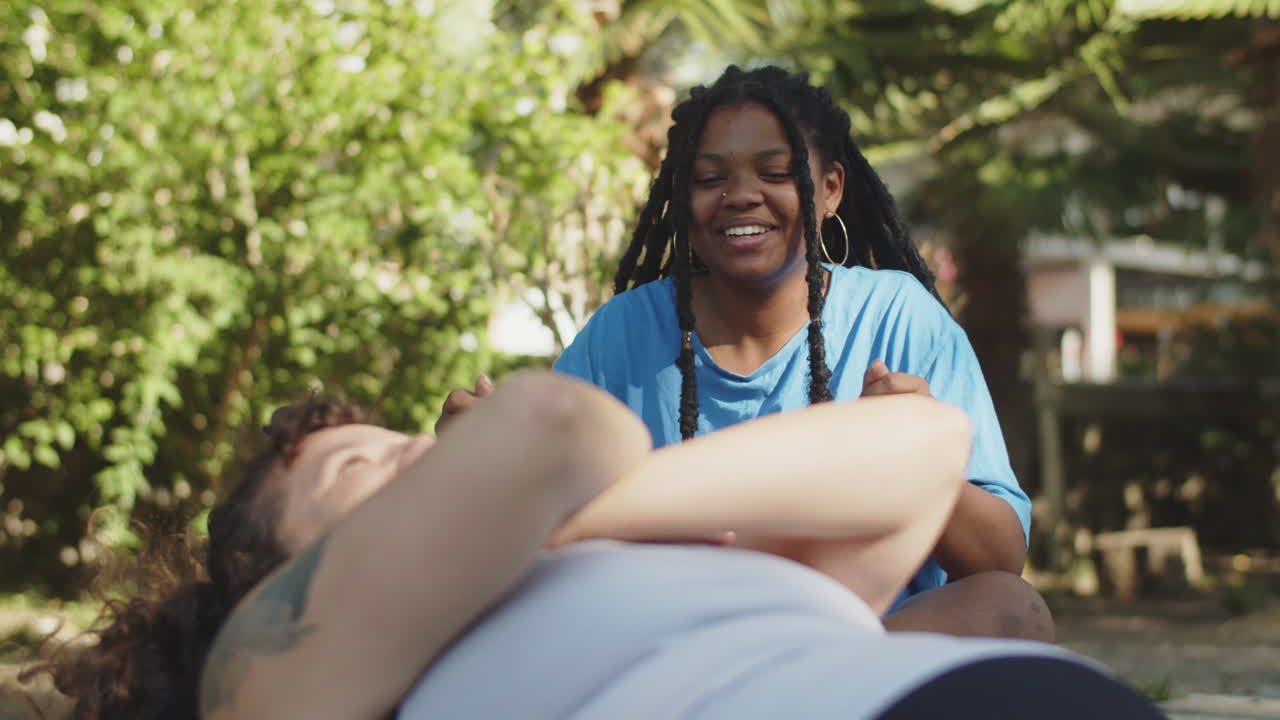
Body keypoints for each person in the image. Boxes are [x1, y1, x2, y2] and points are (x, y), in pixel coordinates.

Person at [25, 371, 1157, 719]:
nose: (421, 453)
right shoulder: (269, 668)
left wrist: (558, 516)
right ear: (267, 579)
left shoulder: (621, 550)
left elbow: (922, 443)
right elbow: (560, 425)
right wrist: (520, 488)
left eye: (412, 439)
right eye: (357, 469)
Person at [441, 65, 1050, 641]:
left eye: (775, 172)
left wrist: (919, 455)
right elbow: (539, 535)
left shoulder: (899, 317)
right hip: (670, 638)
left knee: (1011, 609)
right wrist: (477, 460)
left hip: (857, 644)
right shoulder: (620, 334)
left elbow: (999, 560)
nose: (740, 195)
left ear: (830, 188)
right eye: (709, 179)